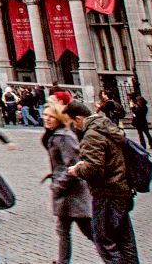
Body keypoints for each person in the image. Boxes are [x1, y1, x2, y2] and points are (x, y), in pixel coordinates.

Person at [70, 100, 141, 264]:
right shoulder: (107, 127)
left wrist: (77, 170)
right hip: (122, 189)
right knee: (125, 241)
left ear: (78, 118)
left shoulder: (92, 135)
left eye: (73, 123)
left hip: (106, 193)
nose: (74, 128)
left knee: (105, 241)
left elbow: (94, 169)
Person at [42, 103, 95, 264]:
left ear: (59, 118)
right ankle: (62, 262)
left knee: (89, 230)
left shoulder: (64, 137)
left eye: (51, 116)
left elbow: (73, 165)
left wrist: (59, 185)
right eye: (45, 115)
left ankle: (114, 256)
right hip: (65, 193)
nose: (47, 119)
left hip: (72, 192)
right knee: (63, 230)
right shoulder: (56, 135)